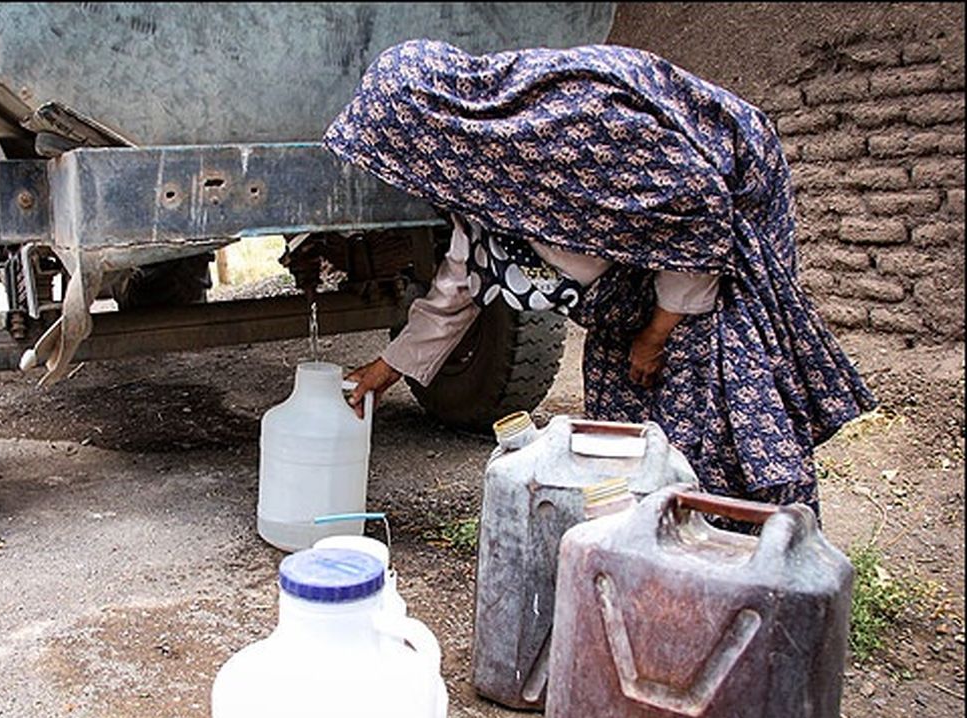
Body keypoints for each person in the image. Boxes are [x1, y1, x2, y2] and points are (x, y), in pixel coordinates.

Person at [323, 39, 877, 522]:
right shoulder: (482, 171)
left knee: (709, 430)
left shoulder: (574, 124)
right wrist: (387, 368)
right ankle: (642, 571)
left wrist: (656, 335)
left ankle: (745, 576)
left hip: (703, 276)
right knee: (623, 437)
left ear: (439, 126)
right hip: (627, 294)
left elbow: (697, 215)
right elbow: (463, 282)